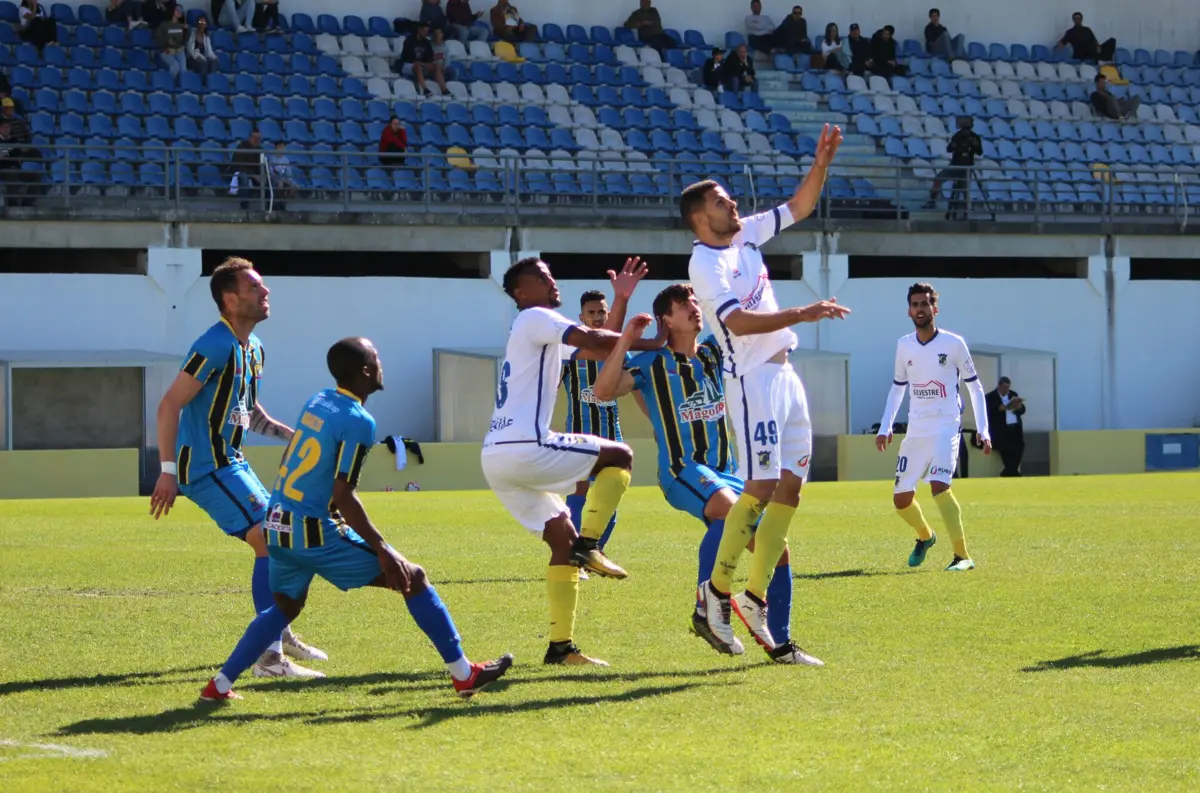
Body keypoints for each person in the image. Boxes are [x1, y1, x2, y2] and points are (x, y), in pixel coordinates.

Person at [200, 338, 515, 701]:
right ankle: (464, 675)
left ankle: (219, 685)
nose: (382, 364)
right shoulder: (359, 421)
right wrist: (382, 548)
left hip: (277, 523)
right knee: (412, 577)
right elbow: (343, 494)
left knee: (285, 606)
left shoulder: (318, 399)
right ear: (366, 371)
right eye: (377, 359)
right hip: (311, 532)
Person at [591, 284, 823, 666]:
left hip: (726, 472)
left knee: (775, 549)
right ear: (667, 319)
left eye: (695, 302)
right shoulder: (651, 365)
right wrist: (629, 339)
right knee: (729, 510)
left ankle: (780, 646)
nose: (694, 308)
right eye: (684, 305)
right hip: (682, 470)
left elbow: (746, 327)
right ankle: (708, 602)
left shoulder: (715, 353)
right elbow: (602, 390)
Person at [683, 123, 849, 652]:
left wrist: (821, 162)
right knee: (759, 486)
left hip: (785, 373)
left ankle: (753, 595)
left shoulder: (747, 234)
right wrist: (804, 311)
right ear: (698, 216)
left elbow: (799, 207)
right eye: (721, 201)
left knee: (791, 489)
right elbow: (735, 323)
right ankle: (715, 593)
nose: (732, 205)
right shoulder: (705, 262)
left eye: (730, 200)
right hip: (751, 378)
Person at [480, 257, 667, 667]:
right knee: (620, 454)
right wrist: (654, 342)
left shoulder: (538, 329)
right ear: (521, 293)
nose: (552, 281)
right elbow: (599, 340)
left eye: (551, 275)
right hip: (526, 445)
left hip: (496, 456)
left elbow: (601, 343)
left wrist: (625, 312)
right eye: (541, 278)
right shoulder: (537, 317)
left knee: (559, 542)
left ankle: (560, 649)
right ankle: (591, 545)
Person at [150, 257, 328, 678]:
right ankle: (269, 657)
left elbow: (247, 409)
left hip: (232, 462)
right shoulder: (214, 344)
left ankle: (277, 632)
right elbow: (169, 404)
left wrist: (289, 435)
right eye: (254, 288)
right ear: (230, 299)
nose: (265, 293)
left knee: (284, 537)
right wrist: (168, 470)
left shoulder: (254, 348)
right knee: (271, 539)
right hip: (207, 468)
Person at [875, 282, 992, 572]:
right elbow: (897, 388)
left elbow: (975, 388)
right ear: (909, 310)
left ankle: (962, 556)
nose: (919, 309)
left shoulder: (954, 344)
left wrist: (983, 429)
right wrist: (885, 425)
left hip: (946, 425)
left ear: (934, 309)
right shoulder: (904, 345)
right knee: (901, 499)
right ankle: (926, 537)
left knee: (940, 485)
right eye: (915, 305)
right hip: (916, 429)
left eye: (925, 304)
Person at [559, 260, 649, 570]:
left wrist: (656, 423)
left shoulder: (620, 353)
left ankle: (590, 555)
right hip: (580, 436)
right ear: (581, 318)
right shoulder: (570, 356)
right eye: (592, 313)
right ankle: (573, 558)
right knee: (580, 495)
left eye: (602, 312)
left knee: (610, 498)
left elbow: (639, 390)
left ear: (608, 315)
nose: (597, 317)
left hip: (613, 437)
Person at [926, 115, 983, 213]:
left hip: (967, 167)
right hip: (955, 164)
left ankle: (966, 209)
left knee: (965, 189)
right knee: (938, 179)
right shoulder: (958, 135)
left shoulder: (974, 137)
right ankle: (932, 201)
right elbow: (949, 149)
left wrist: (975, 145)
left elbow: (979, 152)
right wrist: (954, 146)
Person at [986, 376, 1025, 477]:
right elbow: (988, 413)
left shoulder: (1013, 395)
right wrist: (999, 409)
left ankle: (1009, 472)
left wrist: (1019, 407)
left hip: (1015, 428)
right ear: (999, 386)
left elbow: (1022, 411)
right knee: (1006, 450)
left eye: (1008, 387)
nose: (1006, 390)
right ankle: (1013, 473)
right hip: (1001, 431)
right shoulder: (990, 397)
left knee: (1019, 447)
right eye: (1004, 387)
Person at [398, 21, 448, 98]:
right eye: (424, 31)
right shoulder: (409, 40)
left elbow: (429, 58)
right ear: (419, 30)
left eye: (427, 31)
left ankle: (444, 90)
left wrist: (426, 63)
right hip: (408, 65)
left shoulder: (426, 43)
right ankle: (425, 89)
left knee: (438, 65)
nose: (426, 33)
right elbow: (408, 57)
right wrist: (421, 62)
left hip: (422, 64)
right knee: (418, 64)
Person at [155, 4, 188, 80]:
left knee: (183, 70)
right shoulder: (164, 24)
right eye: (177, 10)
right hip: (167, 50)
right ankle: (168, 84)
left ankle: (181, 87)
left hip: (179, 50)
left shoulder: (183, 26)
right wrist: (168, 42)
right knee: (175, 66)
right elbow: (158, 38)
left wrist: (186, 31)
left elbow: (185, 40)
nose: (180, 12)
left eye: (181, 11)